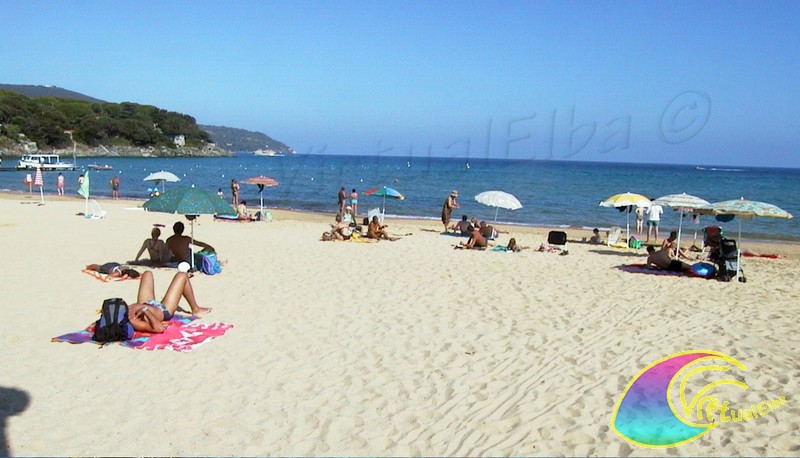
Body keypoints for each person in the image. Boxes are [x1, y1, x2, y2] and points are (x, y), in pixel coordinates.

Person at [127, 271, 211, 333]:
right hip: (163, 310)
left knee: (147, 273)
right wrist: (145, 310)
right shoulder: (133, 321)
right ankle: (195, 308)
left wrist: (142, 307)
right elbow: (159, 328)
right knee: (182, 276)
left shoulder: (124, 311)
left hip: (146, 303)